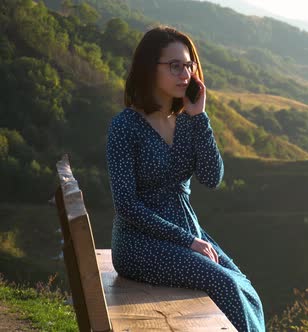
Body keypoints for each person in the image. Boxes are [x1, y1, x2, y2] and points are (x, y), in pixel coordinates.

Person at [105, 25, 265, 331]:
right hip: (139, 243)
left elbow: (211, 177)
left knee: (246, 289)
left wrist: (200, 117)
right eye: (174, 66)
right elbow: (126, 205)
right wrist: (187, 240)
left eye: (189, 65)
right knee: (226, 285)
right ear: (149, 68)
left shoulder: (188, 119)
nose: (185, 74)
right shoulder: (125, 127)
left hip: (188, 234)